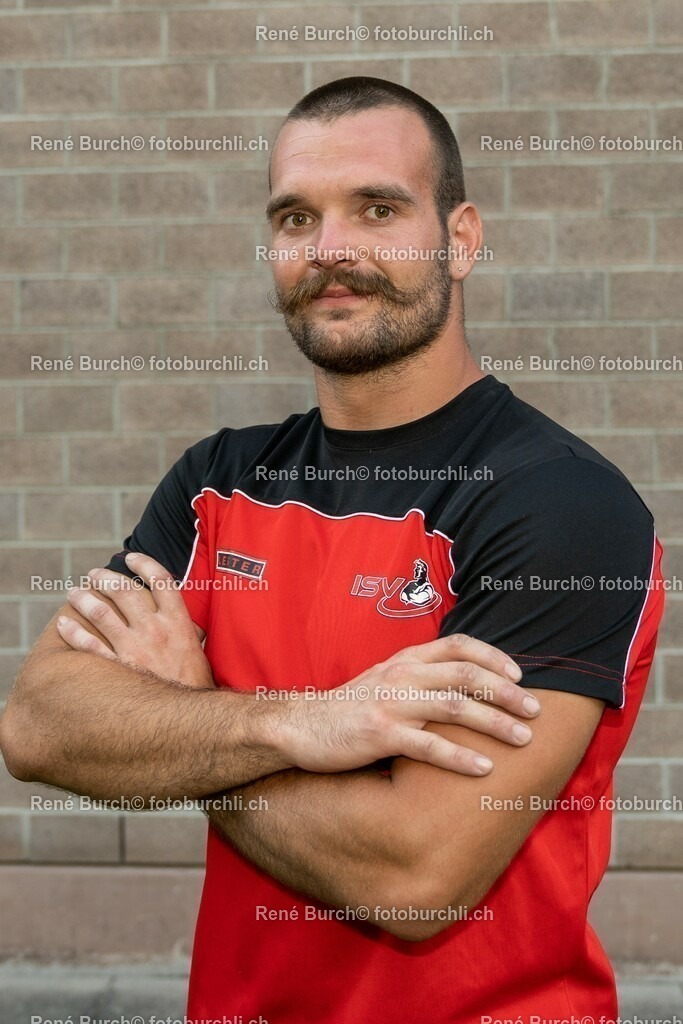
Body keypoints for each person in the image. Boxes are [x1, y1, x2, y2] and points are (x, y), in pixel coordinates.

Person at [0, 78, 664, 1022]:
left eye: (378, 208)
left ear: (461, 238)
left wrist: (189, 717)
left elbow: (415, 871)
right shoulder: (216, 483)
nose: (332, 249)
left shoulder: (557, 505)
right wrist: (290, 726)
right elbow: (38, 725)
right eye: (296, 215)